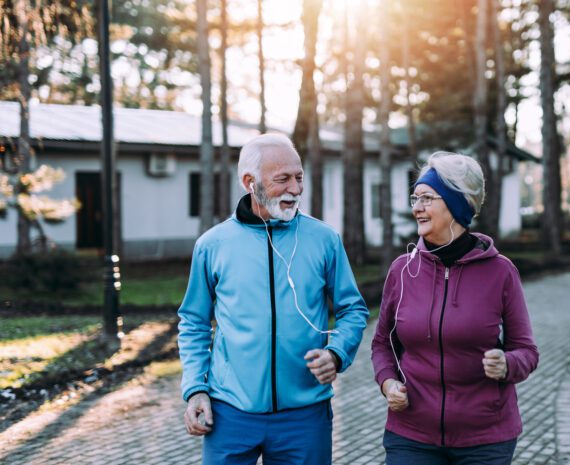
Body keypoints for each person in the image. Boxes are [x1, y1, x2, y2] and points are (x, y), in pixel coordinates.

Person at [178, 134, 369, 465]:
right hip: (229, 414)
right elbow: (193, 322)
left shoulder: (324, 240)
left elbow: (353, 309)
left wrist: (337, 354)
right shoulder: (213, 245)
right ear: (250, 182)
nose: (295, 189)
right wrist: (196, 388)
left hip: (305, 417)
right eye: (283, 179)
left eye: (299, 177)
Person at [371, 151, 540, 464]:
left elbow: (527, 352)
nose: (417, 208)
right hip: (411, 435)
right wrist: (387, 382)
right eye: (415, 198)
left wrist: (506, 364)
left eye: (427, 198)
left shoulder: (500, 272)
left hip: (485, 439)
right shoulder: (402, 270)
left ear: (457, 203)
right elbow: (382, 344)